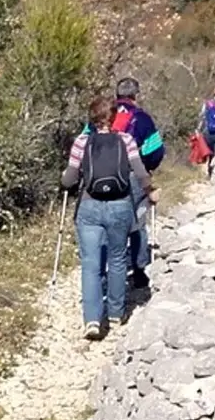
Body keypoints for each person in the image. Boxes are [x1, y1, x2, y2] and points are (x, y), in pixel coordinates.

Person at [61, 95, 155, 340]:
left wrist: (66, 179)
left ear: (91, 119)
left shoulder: (82, 142)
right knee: (117, 258)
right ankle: (115, 312)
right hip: (120, 206)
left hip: (90, 208)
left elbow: (69, 180)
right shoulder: (126, 140)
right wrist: (150, 193)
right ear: (114, 118)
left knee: (91, 264)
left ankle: (92, 320)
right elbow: (141, 173)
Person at [111, 77, 162, 291]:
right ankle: (139, 271)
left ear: (117, 94)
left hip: (105, 176)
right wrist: (147, 170)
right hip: (134, 175)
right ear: (135, 94)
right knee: (138, 220)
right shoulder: (142, 118)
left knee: (112, 220)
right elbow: (155, 150)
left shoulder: (103, 114)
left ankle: (112, 267)